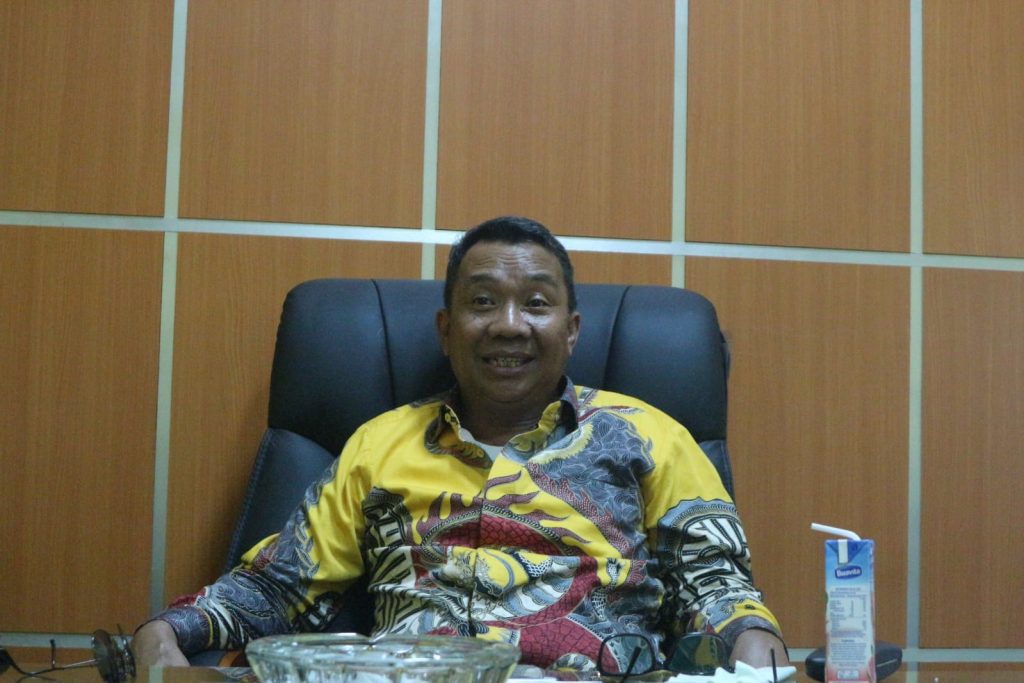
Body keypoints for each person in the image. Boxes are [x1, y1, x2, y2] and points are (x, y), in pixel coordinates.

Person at [133, 215, 788, 674]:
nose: (509, 325)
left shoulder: (649, 436)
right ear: (446, 330)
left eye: (536, 303)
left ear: (572, 330)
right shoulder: (380, 444)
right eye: (483, 302)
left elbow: (717, 586)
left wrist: (752, 640)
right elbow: (280, 586)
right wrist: (167, 631)